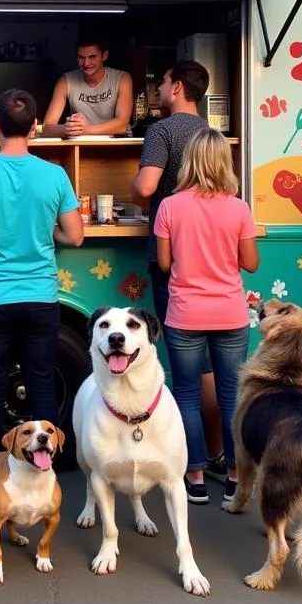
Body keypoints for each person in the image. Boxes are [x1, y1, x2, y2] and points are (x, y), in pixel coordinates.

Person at [0, 88, 84, 510]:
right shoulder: (55, 175)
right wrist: (49, 233)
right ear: (34, 128)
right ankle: (44, 479)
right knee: (42, 386)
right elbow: (75, 235)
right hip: (41, 296)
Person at [154, 127, 259, 506]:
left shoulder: (170, 206)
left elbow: (164, 264)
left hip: (184, 314)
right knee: (232, 395)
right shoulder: (238, 207)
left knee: (186, 394)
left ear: (190, 162)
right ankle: (234, 475)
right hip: (230, 313)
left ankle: (195, 476)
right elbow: (251, 262)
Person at [132, 58, 226, 481]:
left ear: (176, 88)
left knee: (188, 369)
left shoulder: (162, 131)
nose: (160, 89)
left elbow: (147, 187)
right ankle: (220, 451)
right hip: (216, 263)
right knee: (213, 369)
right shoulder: (212, 135)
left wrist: (136, 193)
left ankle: (196, 467)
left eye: (163, 82)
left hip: (172, 257)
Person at [42, 37, 134, 137]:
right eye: (81, 57)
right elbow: (46, 128)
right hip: (83, 144)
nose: (86, 63)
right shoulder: (65, 81)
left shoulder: (122, 78)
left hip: (119, 143)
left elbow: (122, 125)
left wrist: (88, 129)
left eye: (92, 57)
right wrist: (68, 129)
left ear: (104, 56)